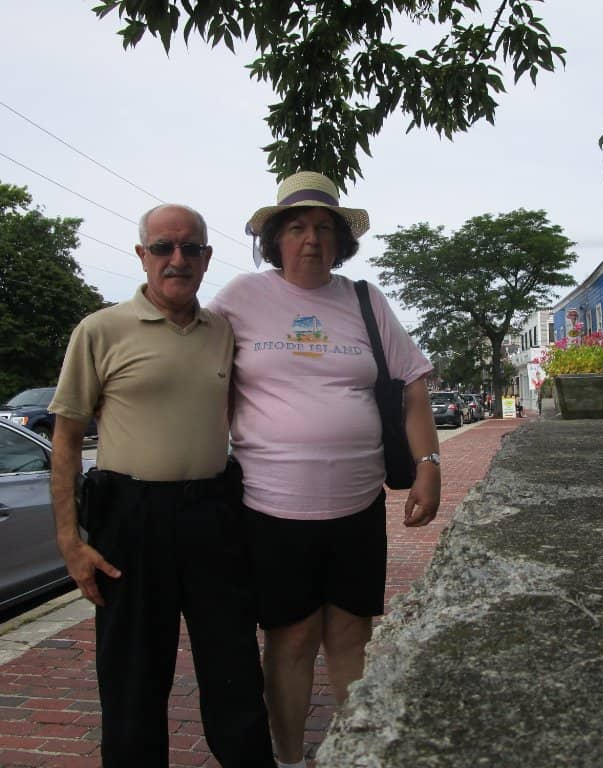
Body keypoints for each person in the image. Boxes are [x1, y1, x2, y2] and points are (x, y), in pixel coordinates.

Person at [209, 172, 442, 768]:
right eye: (296, 227)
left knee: (349, 637)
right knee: (289, 641)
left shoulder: (365, 300)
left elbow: (413, 386)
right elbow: (188, 358)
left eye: (322, 228)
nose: (310, 239)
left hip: (358, 505)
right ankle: (288, 760)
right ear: (274, 240)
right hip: (271, 507)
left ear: (340, 240)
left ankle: (353, 754)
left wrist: (429, 464)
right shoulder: (240, 298)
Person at [48, 204, 276, 768]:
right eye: (163, 248)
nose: (178, 260)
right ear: (141, 255)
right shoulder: (99, 331)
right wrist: (71, 543)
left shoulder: (223, 332)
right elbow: (67, 441)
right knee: (132, 677)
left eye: (190, 248)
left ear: (206, 256)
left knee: (234, 669)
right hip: (130, 518)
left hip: (213, 514)